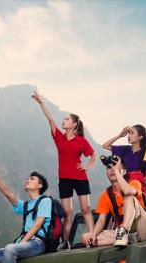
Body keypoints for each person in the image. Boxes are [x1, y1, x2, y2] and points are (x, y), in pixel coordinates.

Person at [31, 90, 96, 249]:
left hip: (80, 178)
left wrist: (87, 167)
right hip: (65, 179)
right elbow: (50, 119)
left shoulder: (81, 141)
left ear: (74, 125)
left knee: (86, 209)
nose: (64, 120)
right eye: (64, 118)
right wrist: (41, 103)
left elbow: (93, 155)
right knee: (67, 212)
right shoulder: (59, 137)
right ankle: (65, 242)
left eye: (67, 119)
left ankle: (93, 237)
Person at [81, 156, 146, 247]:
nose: (112, 170)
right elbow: (101, 221)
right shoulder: (106, 195)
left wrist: (117, 171)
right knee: (86, 237)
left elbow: (128, 192)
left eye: (115, 166)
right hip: (124, 234)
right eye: (109, 167)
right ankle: (129, 238)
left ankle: (124, 233)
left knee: (128, 197)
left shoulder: (134, 183)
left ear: (124, 171)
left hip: (143, 228)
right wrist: (93, 234)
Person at [102, 124, 146, 199]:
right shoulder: (125, 149)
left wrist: (139, 188)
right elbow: (105, 146)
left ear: (140, 137)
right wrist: (120, 135)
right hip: (125, 184)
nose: (129, 136)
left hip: (139, 187)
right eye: (129, 133)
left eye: (132, 133)